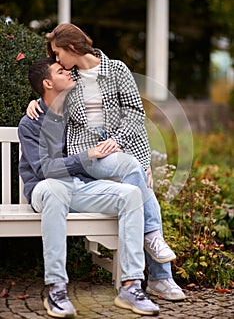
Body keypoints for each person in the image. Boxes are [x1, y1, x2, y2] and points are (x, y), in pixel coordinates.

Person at [27, 23, 185, 301]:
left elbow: (135, 114)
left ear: (72, 48)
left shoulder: (117, 70)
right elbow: (51, 92)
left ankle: (159, 274)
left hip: (122, 151)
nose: (56, 60)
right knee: (134, 175)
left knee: (136, 178)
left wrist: (134, 153)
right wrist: (33, 101)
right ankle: (160, 268)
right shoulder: (68, 77)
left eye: (58, 53)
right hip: (89, 157)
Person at [18, 57, 161, 318]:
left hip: (79, 187)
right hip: (46, 189)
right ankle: (57, 289)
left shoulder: (77, 114)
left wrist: (142, 163)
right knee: (54, 188)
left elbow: (124, 122)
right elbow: (44, 170)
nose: (70, 73)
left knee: (131, 194)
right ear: (48, 83)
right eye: (62, 71)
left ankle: (131, 286)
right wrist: (86, 157)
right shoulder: (31, 123)